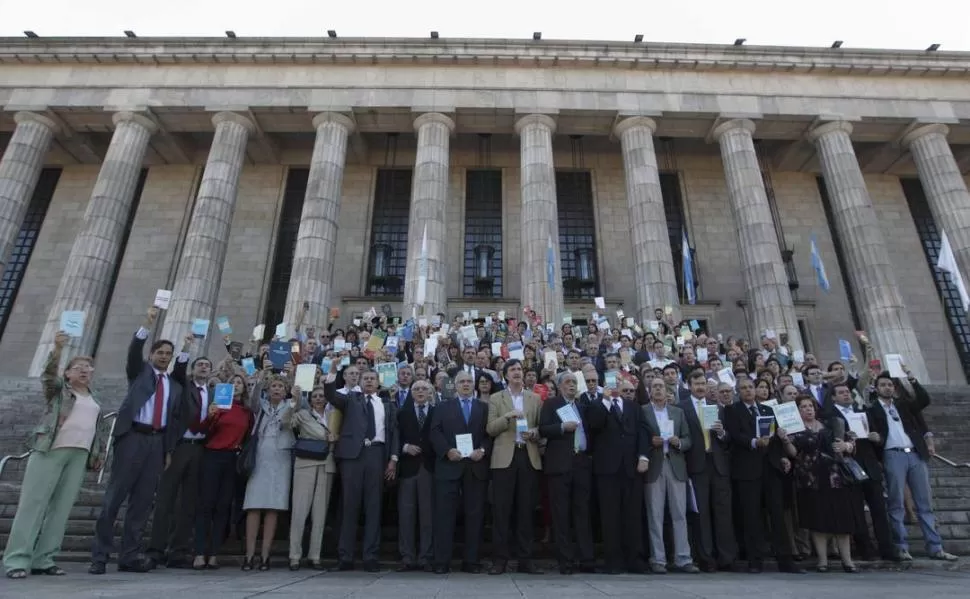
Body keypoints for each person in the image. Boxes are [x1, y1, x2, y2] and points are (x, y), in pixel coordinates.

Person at [90, 306, 188, 575]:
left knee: (143, 503)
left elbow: (174, 419)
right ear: (152, 355)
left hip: (157, 443)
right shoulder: (139, 372)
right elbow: (134, 351)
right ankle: (99, 556)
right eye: (160, 353)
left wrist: (168, 450)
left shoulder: (174, 386)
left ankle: (130, 555)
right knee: (114, 498)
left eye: (169, 354)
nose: (165, 357)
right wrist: (148, 322)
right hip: (133, 436)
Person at [4, 331, 106, 579]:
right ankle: (17, 559)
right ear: (68, 373)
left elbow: (98, 430)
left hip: (79, 455)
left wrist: (99, 453)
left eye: (88, 368)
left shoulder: (94, 398)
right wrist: (58, 350)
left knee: (61, 509)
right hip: (50, 450)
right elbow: (49, 375)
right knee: (33, 504)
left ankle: (44, 558)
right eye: (79, 367)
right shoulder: (58, 390)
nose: (85, 370)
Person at [867, 370, 958, 561]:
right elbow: (872, 432)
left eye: (890, 385)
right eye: (883, 385)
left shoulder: (903, 405)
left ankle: (935, 547)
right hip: (892, 455)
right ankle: (901, 546)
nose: (887, 388)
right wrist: (877, 439)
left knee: (924, 503)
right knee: (896, 502)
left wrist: (912, 379)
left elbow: (923, 400)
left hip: (915, 454)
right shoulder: (871, 409)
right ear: (876, 388)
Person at [722, 377, 804, 574]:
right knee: (752, 516)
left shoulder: (768, 410)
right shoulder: (732, 411)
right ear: (738, 391)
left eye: (751, 387)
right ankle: (755, 560)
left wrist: (783, 457)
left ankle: (785, 560)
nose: (748, 391)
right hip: (747, 470)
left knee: (777, 515)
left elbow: (775, 439)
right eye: (744, 388)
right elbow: (734, 435)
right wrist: (753, 442)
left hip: (770, 468)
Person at [327, 368, 399, 572]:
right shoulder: (350, 399)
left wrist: (393, 459)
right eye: (365, 378)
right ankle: (345, 556)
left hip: (377, 455)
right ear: (359, 381)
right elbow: (331, 396)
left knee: (374, 507)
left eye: (372, 378)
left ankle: (371, 556)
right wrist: (332, 373)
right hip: (353, 458)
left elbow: (394, 432)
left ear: (378, 383)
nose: (368, 381)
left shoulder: (387, 404)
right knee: (350, 506)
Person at [147, 342, 210, 569]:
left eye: (207, 365)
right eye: (200, 364)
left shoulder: (214, 393)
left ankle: (178, 551)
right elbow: (180, 370)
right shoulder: (183, 385)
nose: (203, 368)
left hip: (200, 448)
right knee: (165, 499)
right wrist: (185, 349)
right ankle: (155, 549)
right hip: (180, 446)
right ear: (194, 369)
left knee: (188, 502)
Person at [824, 381, 897, 562]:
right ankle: (866, 549)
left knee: (879, 509)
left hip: (870, 466)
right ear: (833, 397)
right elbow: (828, 441)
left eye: (847, 392)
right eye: (841, 393)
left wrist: (877, 438)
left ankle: (887, 549)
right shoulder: (829, 416)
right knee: (856, 510)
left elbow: (878, 436)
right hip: (849, 467)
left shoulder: (863, 413)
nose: (846, 395)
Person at [429, 371, 491, 574]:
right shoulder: (442, 407)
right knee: (444, 515)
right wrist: (447, 451)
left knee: (475, 515)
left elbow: (489, 434)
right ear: (454, 386)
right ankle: (442, 561)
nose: (465, 384)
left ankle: (471, 561)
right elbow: (435, 431)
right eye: (461, 381)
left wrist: (482, 450)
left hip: (475, 467)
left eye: (469, 381)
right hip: (449, 466)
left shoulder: (484, 408)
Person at [586, 379, 650, 574]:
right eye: (615, 386)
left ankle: (635, 558)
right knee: (610, 516)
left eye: (627, 389)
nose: (619, 390)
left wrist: (643, 456)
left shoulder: (634, 407)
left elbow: (643, 432)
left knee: (633, 515)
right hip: (607, 469)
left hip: (631, 468)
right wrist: (605, 401)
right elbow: (594, 425)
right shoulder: (597, 405)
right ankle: (613, 560)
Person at [486, 359, 543, 575]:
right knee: (501, 511)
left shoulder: (535, 398)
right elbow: (490, 428)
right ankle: (500, 560)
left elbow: (540, 426)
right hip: (504, 459)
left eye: (520, 369)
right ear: (506, 375)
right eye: (513, 370)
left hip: (527, 455)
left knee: (526, 510)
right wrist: (507, 417)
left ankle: (526, 560)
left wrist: (535, 432)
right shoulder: (495, 398)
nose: (518, 373)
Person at [537, 372, 595, 575]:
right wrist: (562, 427)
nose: (572, 385)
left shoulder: (582, 407)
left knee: (582, 512)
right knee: (561, 515)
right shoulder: (551, 404)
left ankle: (586, 558)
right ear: (560, 386)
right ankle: (565, 560)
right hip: (559, 466)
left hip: (581, 464)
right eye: (568, 382)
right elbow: (543, 428)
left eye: (574, 382)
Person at [193, 373, 252, 569]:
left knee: (223, 506)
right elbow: (202, 430)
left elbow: (247, 437)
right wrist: (210, 415)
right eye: (233, 382)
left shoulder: (246, 412)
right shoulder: (218, 407)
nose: (236, 385)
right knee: (205, 504)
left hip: (231, 459)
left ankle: (214, 554)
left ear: (244, 388)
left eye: (240, 383)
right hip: (212, 456)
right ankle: (200, 552)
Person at [678, 371, 735, 572]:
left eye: (703, 383)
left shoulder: (717, 408)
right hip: (696, 466)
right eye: (697, 383)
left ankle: (726, 557)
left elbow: (728, 440)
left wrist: (721, 433)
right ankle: (706, 558)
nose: (701, 387)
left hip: (718, 465)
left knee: (723, 512)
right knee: (701, 514)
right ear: (689, 384)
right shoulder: (681, 408)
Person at [642, 378, 698, 574]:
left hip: (675, 464)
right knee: (655, 515)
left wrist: (678, 442)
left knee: (679, 514)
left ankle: (683, 558)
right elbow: (640, 439)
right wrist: (651, 442)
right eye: (655, 386)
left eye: (662, 387)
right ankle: (658, 559)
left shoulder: (678, 412)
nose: (658, 389)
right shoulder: (643, 411)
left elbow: (688, 439)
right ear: (649, 391)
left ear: (668, 391)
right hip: (654, 465)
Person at [241, 372, 295, 571]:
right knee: (253, 506)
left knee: (273, 508)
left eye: (281, 386)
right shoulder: (260, 407)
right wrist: (261, 380)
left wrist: (297, 394)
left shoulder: (291, 406)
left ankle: (265, 555)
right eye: (274, 386)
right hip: (260, 457)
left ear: (286, 390)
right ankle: (249, 555)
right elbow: (252, 399)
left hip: (281, 458)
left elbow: (299, 413)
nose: (277, 389)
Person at [287, 385, 341, 570]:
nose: (319, 398)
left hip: (327, 464)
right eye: (315, 396)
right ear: (310, 399)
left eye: (322, 396)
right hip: (305, 463)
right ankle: (294, 555)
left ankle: (314, 555)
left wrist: (336, 437)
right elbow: (286, 423)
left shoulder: (334, 415)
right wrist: (293, 402)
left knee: (320, 513)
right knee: (300, 511)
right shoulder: (302, 414)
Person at [396, 380, 436, 572]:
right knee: (406, 514)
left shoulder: (438, 411)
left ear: (431, 392)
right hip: (408, 468)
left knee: (428, 516)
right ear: (411, 393)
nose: (421, 391)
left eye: (424, 389)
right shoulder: (402, 413)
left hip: (429, 469)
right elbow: (395, 437)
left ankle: (425, 557)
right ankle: (407, 557)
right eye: (417, 389)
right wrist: (405, 447)